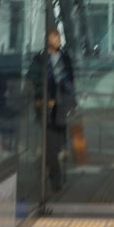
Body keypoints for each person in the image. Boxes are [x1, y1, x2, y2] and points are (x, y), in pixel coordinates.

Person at [29, 27, 76, 193]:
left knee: (57, 143)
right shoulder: (40, 58)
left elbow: (71, 81)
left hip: (62, 105)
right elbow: (32, 79)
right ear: (47, 40)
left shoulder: (65, 58)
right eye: (55, 37)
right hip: (46, 106)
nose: (58, 40)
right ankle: (55, 179)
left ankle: (47, 164)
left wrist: (73, 103)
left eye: (59, 37)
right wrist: (41, 95)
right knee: (51, 145)